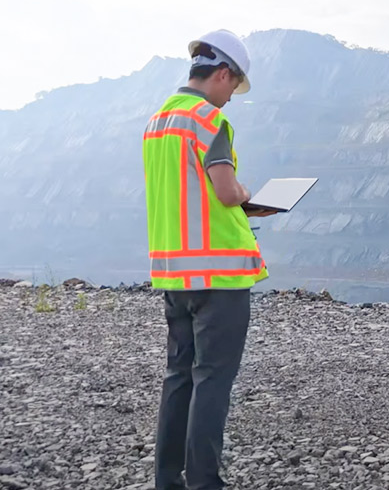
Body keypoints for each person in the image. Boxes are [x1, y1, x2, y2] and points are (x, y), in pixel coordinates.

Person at [142, 29, 275, 490]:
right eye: (233, 87)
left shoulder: (159, 121)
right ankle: (204, 482)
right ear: (222, 73)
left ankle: (167, 480)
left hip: (174, 275)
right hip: (219, 277)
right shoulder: (209, 121)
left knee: (178, 377)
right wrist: (245, 194)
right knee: (213, 381)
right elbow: (224, 190)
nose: (231, 97)